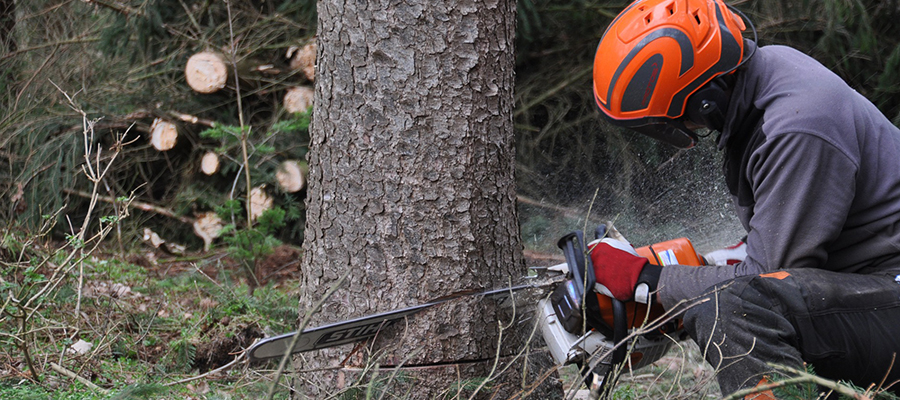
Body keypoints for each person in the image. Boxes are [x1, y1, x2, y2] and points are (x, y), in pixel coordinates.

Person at [587, 0, 900, 397]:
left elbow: (766, 283)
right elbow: (779, 243)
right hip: (873, 285)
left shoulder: (795, 127)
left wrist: (649, 282)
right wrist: (695, 270)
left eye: (675, 117)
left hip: (889, 288)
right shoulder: (767, 75)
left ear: (707, 100)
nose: (679, 127)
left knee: (738, 311)